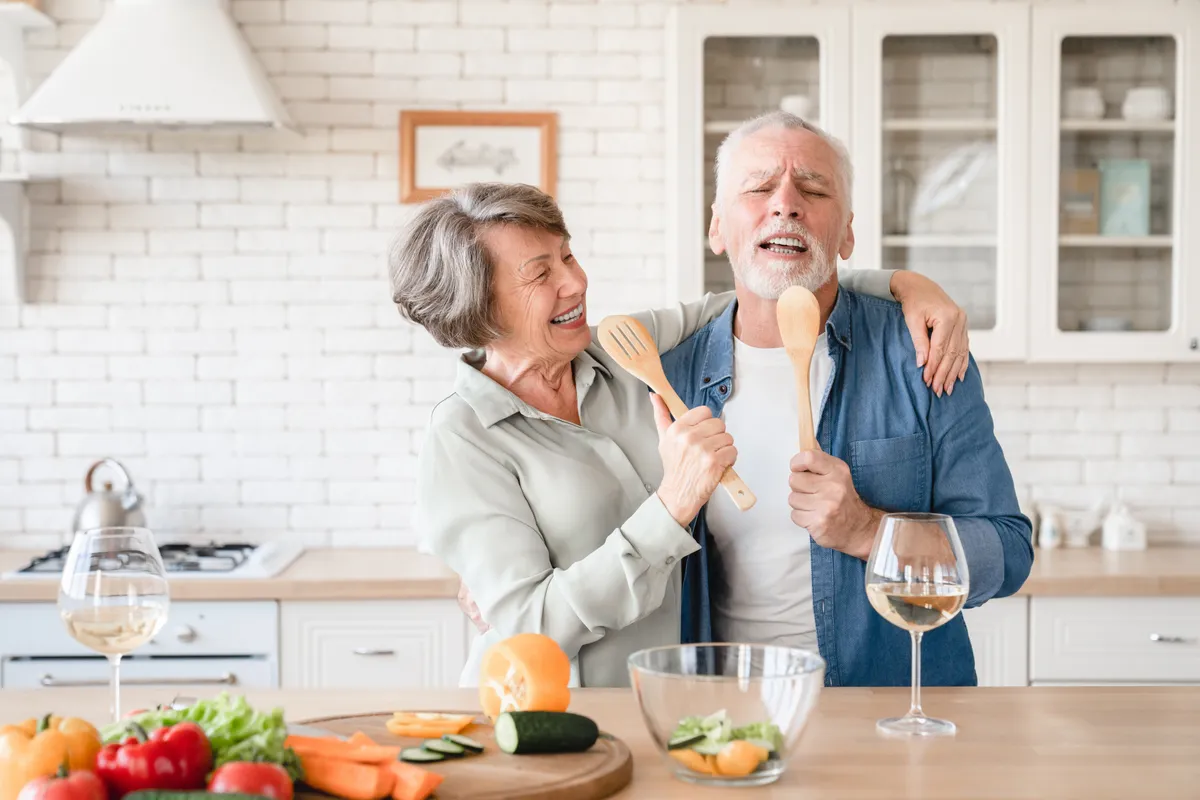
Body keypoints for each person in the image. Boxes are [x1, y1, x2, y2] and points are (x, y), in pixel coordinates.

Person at [391, 181, 972, 688]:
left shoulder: (622, 351)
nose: (576, 282)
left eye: (568, 255)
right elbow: (531, 627)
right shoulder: (464, 436)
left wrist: (907, 285)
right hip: (548, 715)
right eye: (541, 274)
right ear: (481, 308)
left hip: (667, 698)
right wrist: (671, 507)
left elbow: (766, 289)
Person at [658, 110, 1033, 686]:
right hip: (725, 708)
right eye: (758, 188)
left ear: (848, 234)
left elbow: (1007, 553)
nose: (786, 204)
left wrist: (868, 532)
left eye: (813, 189)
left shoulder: (923, 353)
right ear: (716, 228)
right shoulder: (668, 378)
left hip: (888, 711)